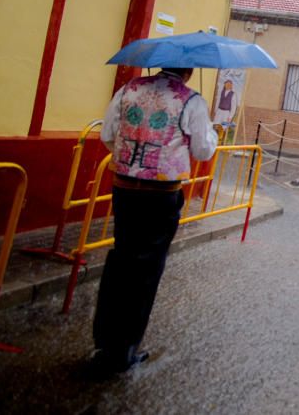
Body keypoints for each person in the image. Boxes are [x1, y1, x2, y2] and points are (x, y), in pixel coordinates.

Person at [90, 67, 217, 376]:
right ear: (188, 70)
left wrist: (130, 160)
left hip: (124, 188)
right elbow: (202, 150)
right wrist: (210, 134)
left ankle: (105, 343)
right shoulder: (191, 101)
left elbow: (108, 135)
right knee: (146, 268)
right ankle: (125, 349)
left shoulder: (128, 89)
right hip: (160, 194)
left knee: (121, 259)